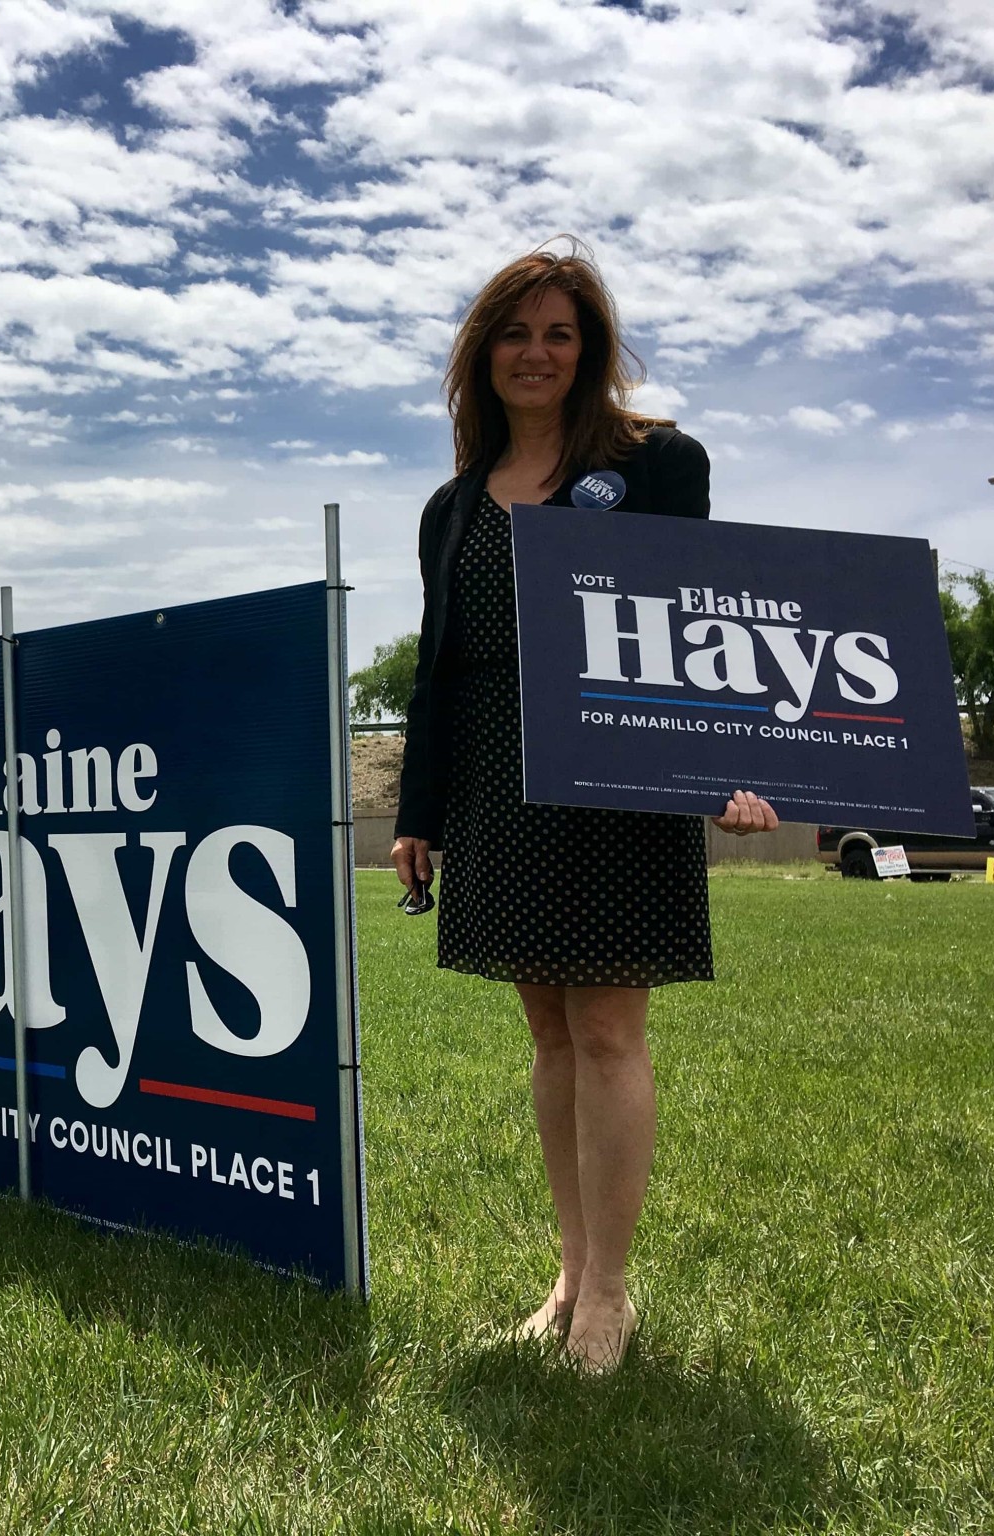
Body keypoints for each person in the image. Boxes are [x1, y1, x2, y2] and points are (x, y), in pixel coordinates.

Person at [391, 242, 778, 1372]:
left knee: (607, 1030)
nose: (536, 353)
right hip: (495, 781)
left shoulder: (655, 462)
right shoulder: (451, 505)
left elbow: (692, 621)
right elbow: (437, 668)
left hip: (614, 772)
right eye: (514, 333)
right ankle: (566, 1274)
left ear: (589, 348)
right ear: (481, 353)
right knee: (549, 1036)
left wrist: (721, 766)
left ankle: (609, 1294)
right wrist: (420, 810)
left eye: (559, 333)